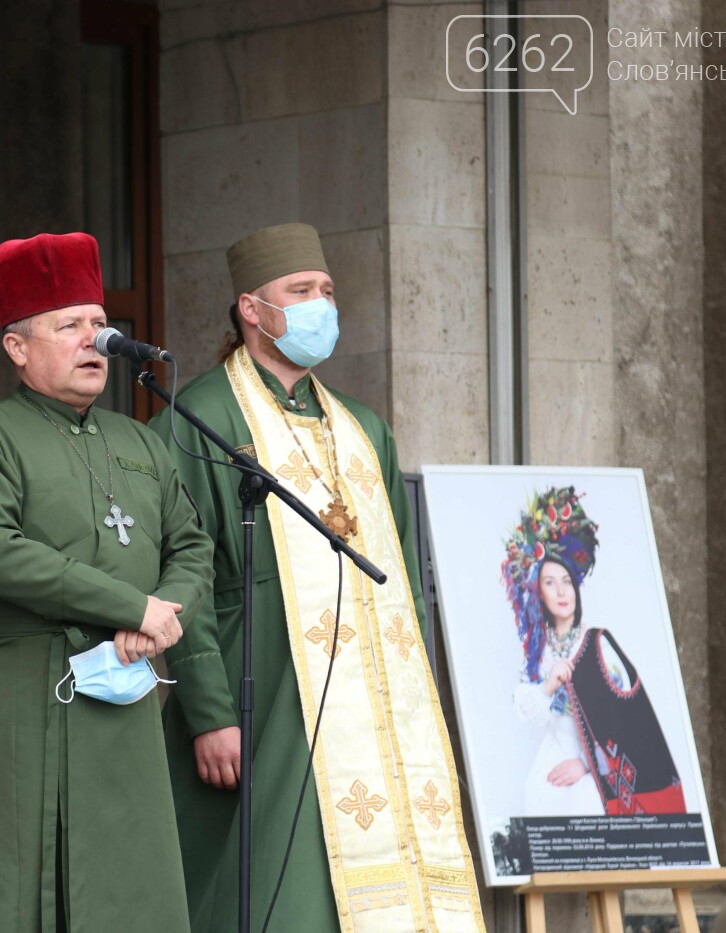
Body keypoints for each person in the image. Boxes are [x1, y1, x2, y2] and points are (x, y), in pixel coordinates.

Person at [151, 223, 484, 932]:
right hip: (267, 687)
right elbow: (180, 572)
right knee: (279, 884)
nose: (319, 306)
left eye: (326, 291)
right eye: (300, 291)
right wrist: (209, 708)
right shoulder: (202, 415)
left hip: (376, 699)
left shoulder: (366, 428)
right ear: (251, 308)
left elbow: (400, 581)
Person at [0, 232, 214, 933]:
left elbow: (192, 544)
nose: (94, 339)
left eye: (98, 322)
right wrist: (131, 604)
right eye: (69, 325)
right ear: (18, 347)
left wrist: (163, 614)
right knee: (13, 894)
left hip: (127, 693)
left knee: (129, 891)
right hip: (25, 693)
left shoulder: (140, 440)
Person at [504, 486, 685, 817]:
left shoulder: (595, 641)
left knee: (587, 803)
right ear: (538, 593)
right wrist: (549, 685)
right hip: (552, 755)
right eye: (549, 583)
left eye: (566, 582)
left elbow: (623, 719)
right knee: (534, 794)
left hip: (599, 767)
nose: (561, 592)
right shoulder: (538, 650)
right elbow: (526, 711)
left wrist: (587, 764)